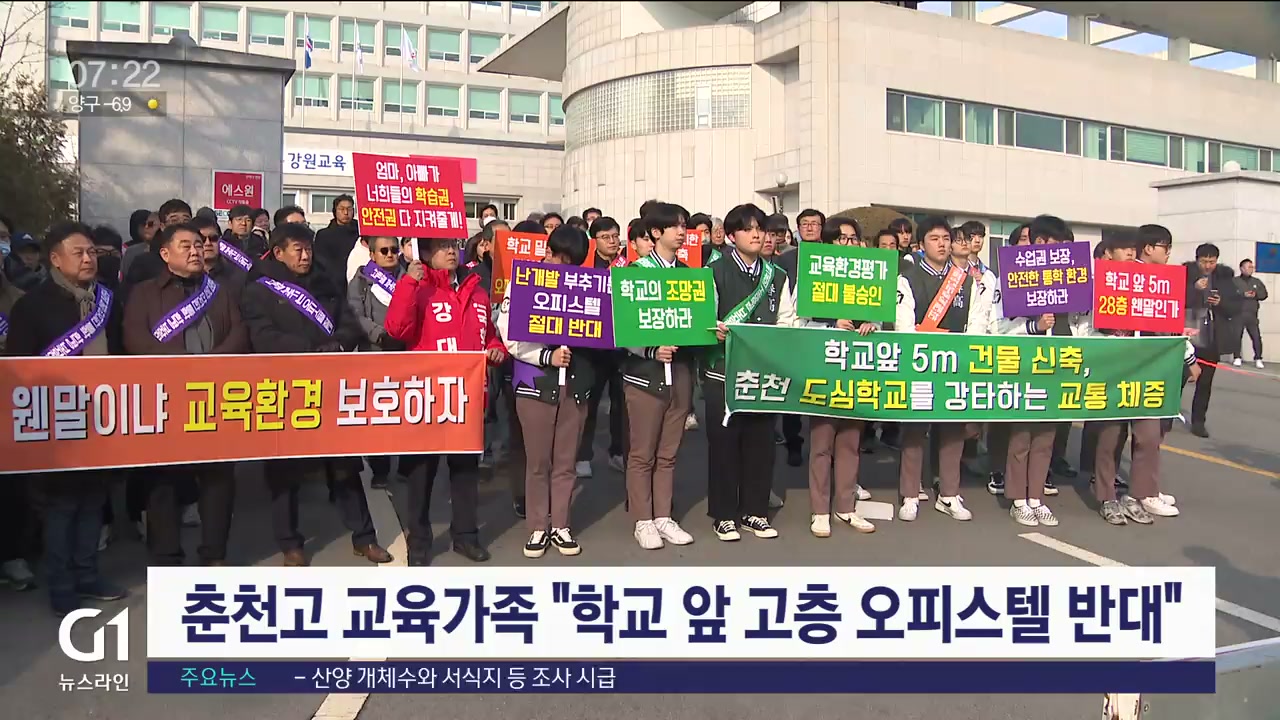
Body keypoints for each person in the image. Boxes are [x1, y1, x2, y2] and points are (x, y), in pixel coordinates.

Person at [239, 222, 393, 567]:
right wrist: (311, 348)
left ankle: (364, 538)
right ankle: (290, 543)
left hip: (328, 387)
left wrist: (338, 344)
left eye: (308, 248)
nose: (305, 255)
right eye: (298, 250)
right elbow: (263, 337)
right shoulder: (258, 289)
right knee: (284, 473)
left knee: (345, 467)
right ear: (278, 252)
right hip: (284, 390)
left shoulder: (325, 283)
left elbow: (350, 324)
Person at [5, 221, 129, 615]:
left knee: (93, 502)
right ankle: (61, 585)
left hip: (102, 417)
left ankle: (88, 575)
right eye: (79, 253)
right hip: (54, 422)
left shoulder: (107, 301)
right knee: (61, 508)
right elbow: (19, 370)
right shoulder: (32, 305)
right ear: (55, 259)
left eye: (92, 252)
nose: (89, 258)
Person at [122, 222, 247, 565]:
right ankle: (166, 556)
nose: (196, 251)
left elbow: (238, 333)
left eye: (199, 244)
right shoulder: (145, 293)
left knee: (218, 479)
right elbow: (135, 338)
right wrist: (181, 366)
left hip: (214, 396)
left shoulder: (218, 291)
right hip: (165, 398)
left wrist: (212, 363)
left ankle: (214, 554)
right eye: (186, 246)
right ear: (165, 253)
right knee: (163, 481)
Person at [384, 236, 506, 565]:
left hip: (467, 398)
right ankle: (419, 541)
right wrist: (409, 282)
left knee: (465, 472)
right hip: (429, 397)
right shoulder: (417, 287)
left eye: (453, 244)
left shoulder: (476, 289)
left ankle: (466, 536)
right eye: (441, 246)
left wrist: (496, 350)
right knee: (421, 474)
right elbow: (396, 329)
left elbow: (488, 335)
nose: (450, 251)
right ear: (424, 252)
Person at [496, 225, 595, 559]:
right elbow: (509, 333)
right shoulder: (524, 281)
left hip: (575, 384)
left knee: (566, 462)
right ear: (548, 252)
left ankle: (561, 525)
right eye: (561, 260)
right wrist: (545, 356)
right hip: (534, 383)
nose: (567, 269)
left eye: (574, 264)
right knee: (538, 462)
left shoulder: (587, 285)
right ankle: (538, 526)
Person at [1091, 226, 1198, 525]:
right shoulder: (1116, 277)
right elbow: (1097, 323)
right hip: (1117, 369)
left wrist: (1188, 357)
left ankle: (1139, 495)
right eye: (1165, 247)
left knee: (1149, 436)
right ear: (1148, 248)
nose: (1168, 253)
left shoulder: (1165, 282)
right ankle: (1106, 497)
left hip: (1151, 371)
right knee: (1111, 436)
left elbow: (1171, 326)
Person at [704, 203, 796, 542]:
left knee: (761, 443)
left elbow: (787, 320)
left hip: (763, 373)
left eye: (760, 228)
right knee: (725, 444)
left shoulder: (777, 275)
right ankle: (724, 514)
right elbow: (704, 317)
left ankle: (755, 511)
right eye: (747, 229)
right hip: (724, 370)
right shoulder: (714, 271)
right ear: (731, 236)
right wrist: (714, 330)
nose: (756, 234)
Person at [781, 216, 877, 537]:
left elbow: (883, 315)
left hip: (857, 366)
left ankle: (846, 507)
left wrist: (873, 324)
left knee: (850, 442)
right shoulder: (813, 272)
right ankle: (820, 510)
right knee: (822, 443)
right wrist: (830, 325)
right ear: (829, 241)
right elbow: (796, 319)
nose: (848, 244)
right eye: (842, 238)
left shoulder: (869, 275)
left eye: (853, 239)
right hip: (824, 364)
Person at [894, 216, 993, 523]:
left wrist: (965, 353)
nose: (941, 244)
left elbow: (977, 321)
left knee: (953, 431)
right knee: (915, 430)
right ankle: (910, 494)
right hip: (920, 365)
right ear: (921, 244)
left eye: (946, 238)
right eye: (934, 238)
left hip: (955, 366)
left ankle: (949, 493)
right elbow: (903, 324)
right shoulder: (907, 278)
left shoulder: (966, 280)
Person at [994, 215, 1080, 528]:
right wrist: (1034, 326)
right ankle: (1018, 498)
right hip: (1025, 362)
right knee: (1022, 434)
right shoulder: (1012, 275)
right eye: (1057, 244)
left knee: (1046, 434)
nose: (1063, 251)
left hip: (1059, 359)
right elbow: (998, 326)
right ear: (1041, 243)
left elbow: (1079, 321)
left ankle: (1036, 497)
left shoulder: (1069, 276)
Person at [622, 203, 697, 549]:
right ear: (655, 233)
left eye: (684, 226)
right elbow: (622, 327)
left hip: (680, 372)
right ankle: (643, 519)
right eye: (675, 226)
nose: (682, 232)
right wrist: (650, 350)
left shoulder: (688, 274)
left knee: (669, 451)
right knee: (643, 452)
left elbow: (696, 320)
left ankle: (664, 516)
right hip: (644, 373)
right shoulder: (636, 272)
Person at [345, 235, 416, 488]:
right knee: (379, 414)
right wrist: (380, 336)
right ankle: (380, 469)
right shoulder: (361, 280)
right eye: (383, 250)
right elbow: (356, 314)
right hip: (374, 353)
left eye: (394, 250)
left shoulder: (410, 278)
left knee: (409, 412)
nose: (389, 254)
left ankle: (407, 466)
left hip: (406, 353)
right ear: (372, 254)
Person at [578, 216, 627, 478]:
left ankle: (617, 452)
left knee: (621, 403)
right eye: (605, 237)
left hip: (622, 348)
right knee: (590, 403)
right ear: (593, 240)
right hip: (593, 348)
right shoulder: (584, 268)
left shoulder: (628, 266)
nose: (612, 241)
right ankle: (583, 455)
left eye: (615, 236)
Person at [1183, 240, 1240, 438]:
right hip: (1190, 336)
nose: (1208, 266)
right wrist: (1194, 289)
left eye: (1212, 262)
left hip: (1212, 337)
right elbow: (1176, 300)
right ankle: (1166, 417)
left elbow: (1235, 308)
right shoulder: (1185, 275)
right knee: (1180, 378)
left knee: (1205, 383)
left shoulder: (1225, 278)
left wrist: (1221, 302)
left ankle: (1198, 422)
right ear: (1196, 260)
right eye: (1204, 261)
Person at [316, 194, 360, 286]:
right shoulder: (324, 235)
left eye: (349, 209)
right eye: (341, 209)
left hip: (358, 279)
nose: (346, 213)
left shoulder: (361, 233)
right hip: (334, 282)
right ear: (335, 211)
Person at [1233, 259, 1267, 369]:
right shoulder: (1234, 281)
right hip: (1238, 313)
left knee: (1256, 337)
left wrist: (1255, 294)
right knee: (1237, 336)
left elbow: (1264, 294)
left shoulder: (1256, 281)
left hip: (1252, 314)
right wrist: (1242, 294)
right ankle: (1237, 357)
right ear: (1242, 268)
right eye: (1249, 267)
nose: (1251, 269)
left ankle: (1258, 358)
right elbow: (1230, 294)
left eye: (1252, 267)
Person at [90, 225, 124, 291]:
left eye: (114, 253)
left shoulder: (128, 290)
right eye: (101, 252)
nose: (108, 256)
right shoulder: (84, 291)